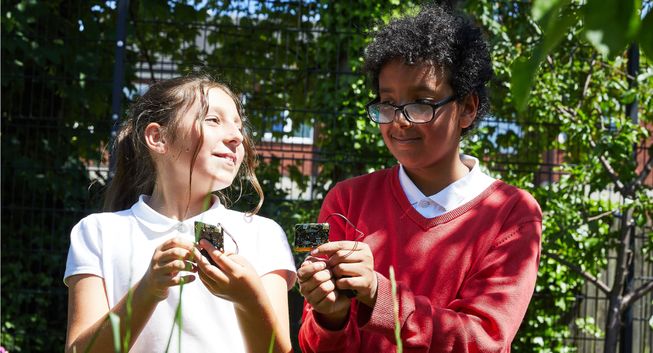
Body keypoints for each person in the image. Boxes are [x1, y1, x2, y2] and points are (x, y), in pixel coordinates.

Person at [297, 3, 542, 353]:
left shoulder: (511, 213)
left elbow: (483, 341)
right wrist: (330, 317)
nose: (399, 120)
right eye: (387, 103)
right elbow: (313, 344)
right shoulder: (347, 201)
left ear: (468, 108)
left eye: (421, 103)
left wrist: (381, 296)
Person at [64, 75, 296, 353]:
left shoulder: (264, 234)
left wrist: (248, 299)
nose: (237, 136)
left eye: (239, 125)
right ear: (158, 137)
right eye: (213, 120)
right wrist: (148, 290)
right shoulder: (97, 232)